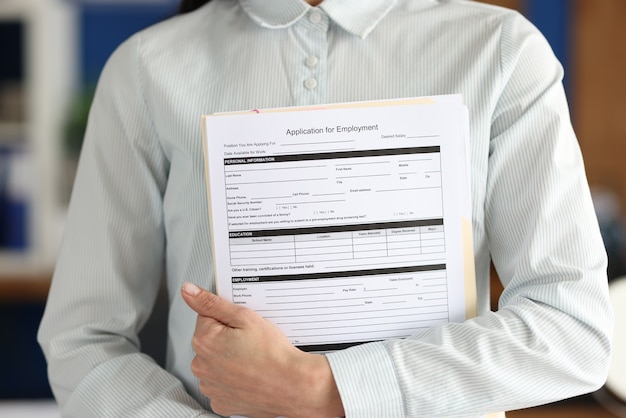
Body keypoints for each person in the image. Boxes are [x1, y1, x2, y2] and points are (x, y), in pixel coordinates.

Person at [38, 0, 614, 416]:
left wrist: (321, 388)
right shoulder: (146, 69)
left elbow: (572, 329)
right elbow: (83, 338)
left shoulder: (502, 52)